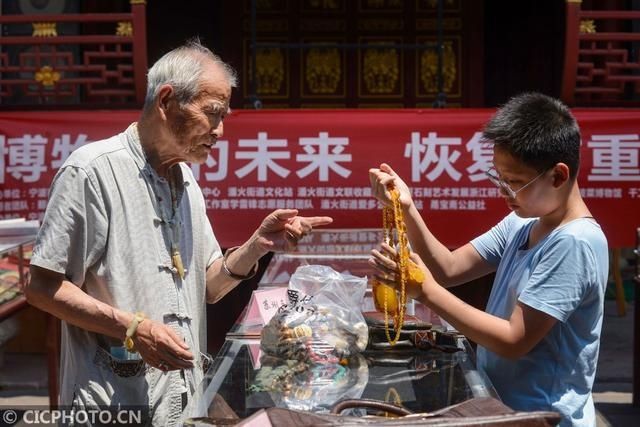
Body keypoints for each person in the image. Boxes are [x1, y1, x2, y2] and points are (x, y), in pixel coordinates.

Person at [25, 40, 332, 425]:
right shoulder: (91, 172)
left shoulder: (184, 179)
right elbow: (41, 287)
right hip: (112, 403)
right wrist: (134, 329)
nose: (220, 131)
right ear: (167, 100)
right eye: (212, 114)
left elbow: (208, 287)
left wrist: (257, 246)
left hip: (181, 404)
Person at [368, 92, 608, 426]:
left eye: (515, 182)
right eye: (499, 178)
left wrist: (425, 291)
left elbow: (513, 340)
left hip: (545, 417)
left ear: (558, 176)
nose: (504, 191)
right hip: (504, 406)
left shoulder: (575, 243)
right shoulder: (522, 222)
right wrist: (406, 206)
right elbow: (448, 268)